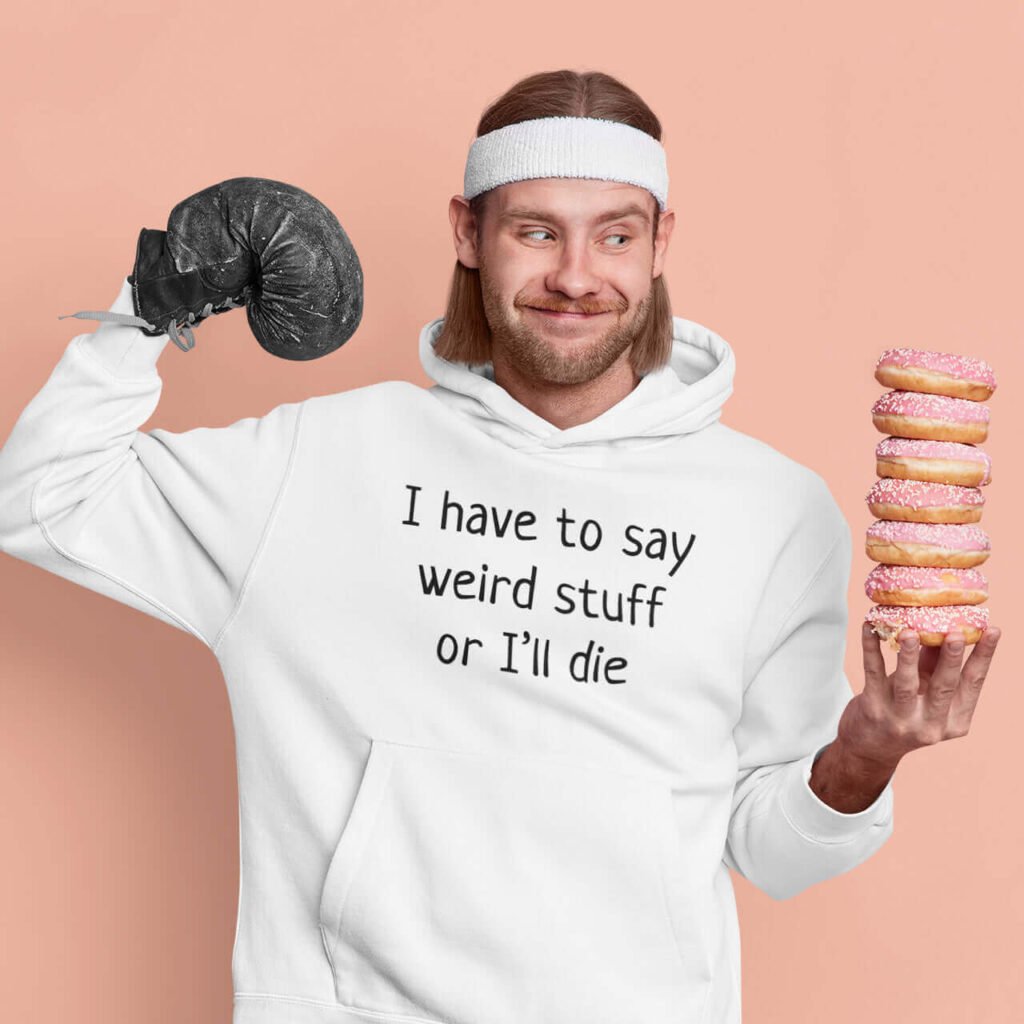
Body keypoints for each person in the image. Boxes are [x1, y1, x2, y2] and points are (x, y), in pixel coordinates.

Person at [0, 68, 1000, 1024]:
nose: (575, 275)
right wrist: (154, 303)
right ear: (467, 232)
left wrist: (865, 754)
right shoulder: (320, 461)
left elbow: (776, 852)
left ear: (660, 243)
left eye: (615, 234)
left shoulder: (773, 509)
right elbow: (42, 498)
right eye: (536, 230)